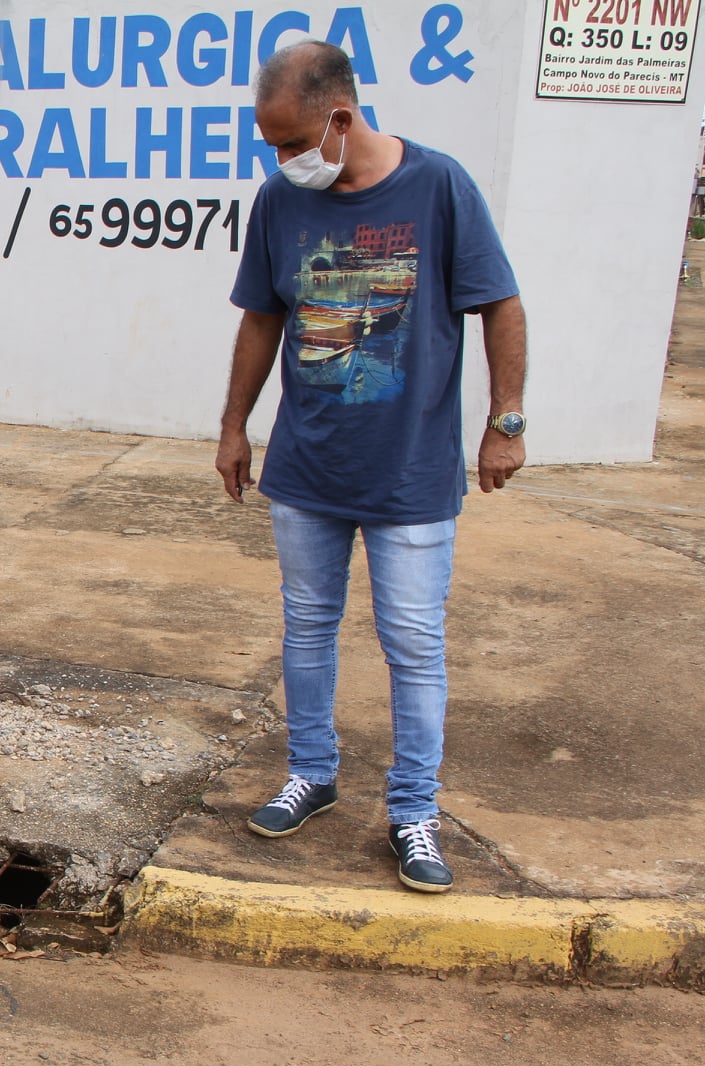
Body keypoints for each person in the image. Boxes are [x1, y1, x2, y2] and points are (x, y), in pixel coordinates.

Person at [214, 40, 527, 894]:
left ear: (340, 118)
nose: (282, 162)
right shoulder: (281, 202)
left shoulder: (439, 188)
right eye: (271, 146)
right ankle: (311, 774)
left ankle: (413, 812)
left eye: (291, 142)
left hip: (411, 472)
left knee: (414, 645)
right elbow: (260, 321)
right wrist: (234, 426)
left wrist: (505, 423)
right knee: (307, 627)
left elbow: (500, 303)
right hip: (309, 467)